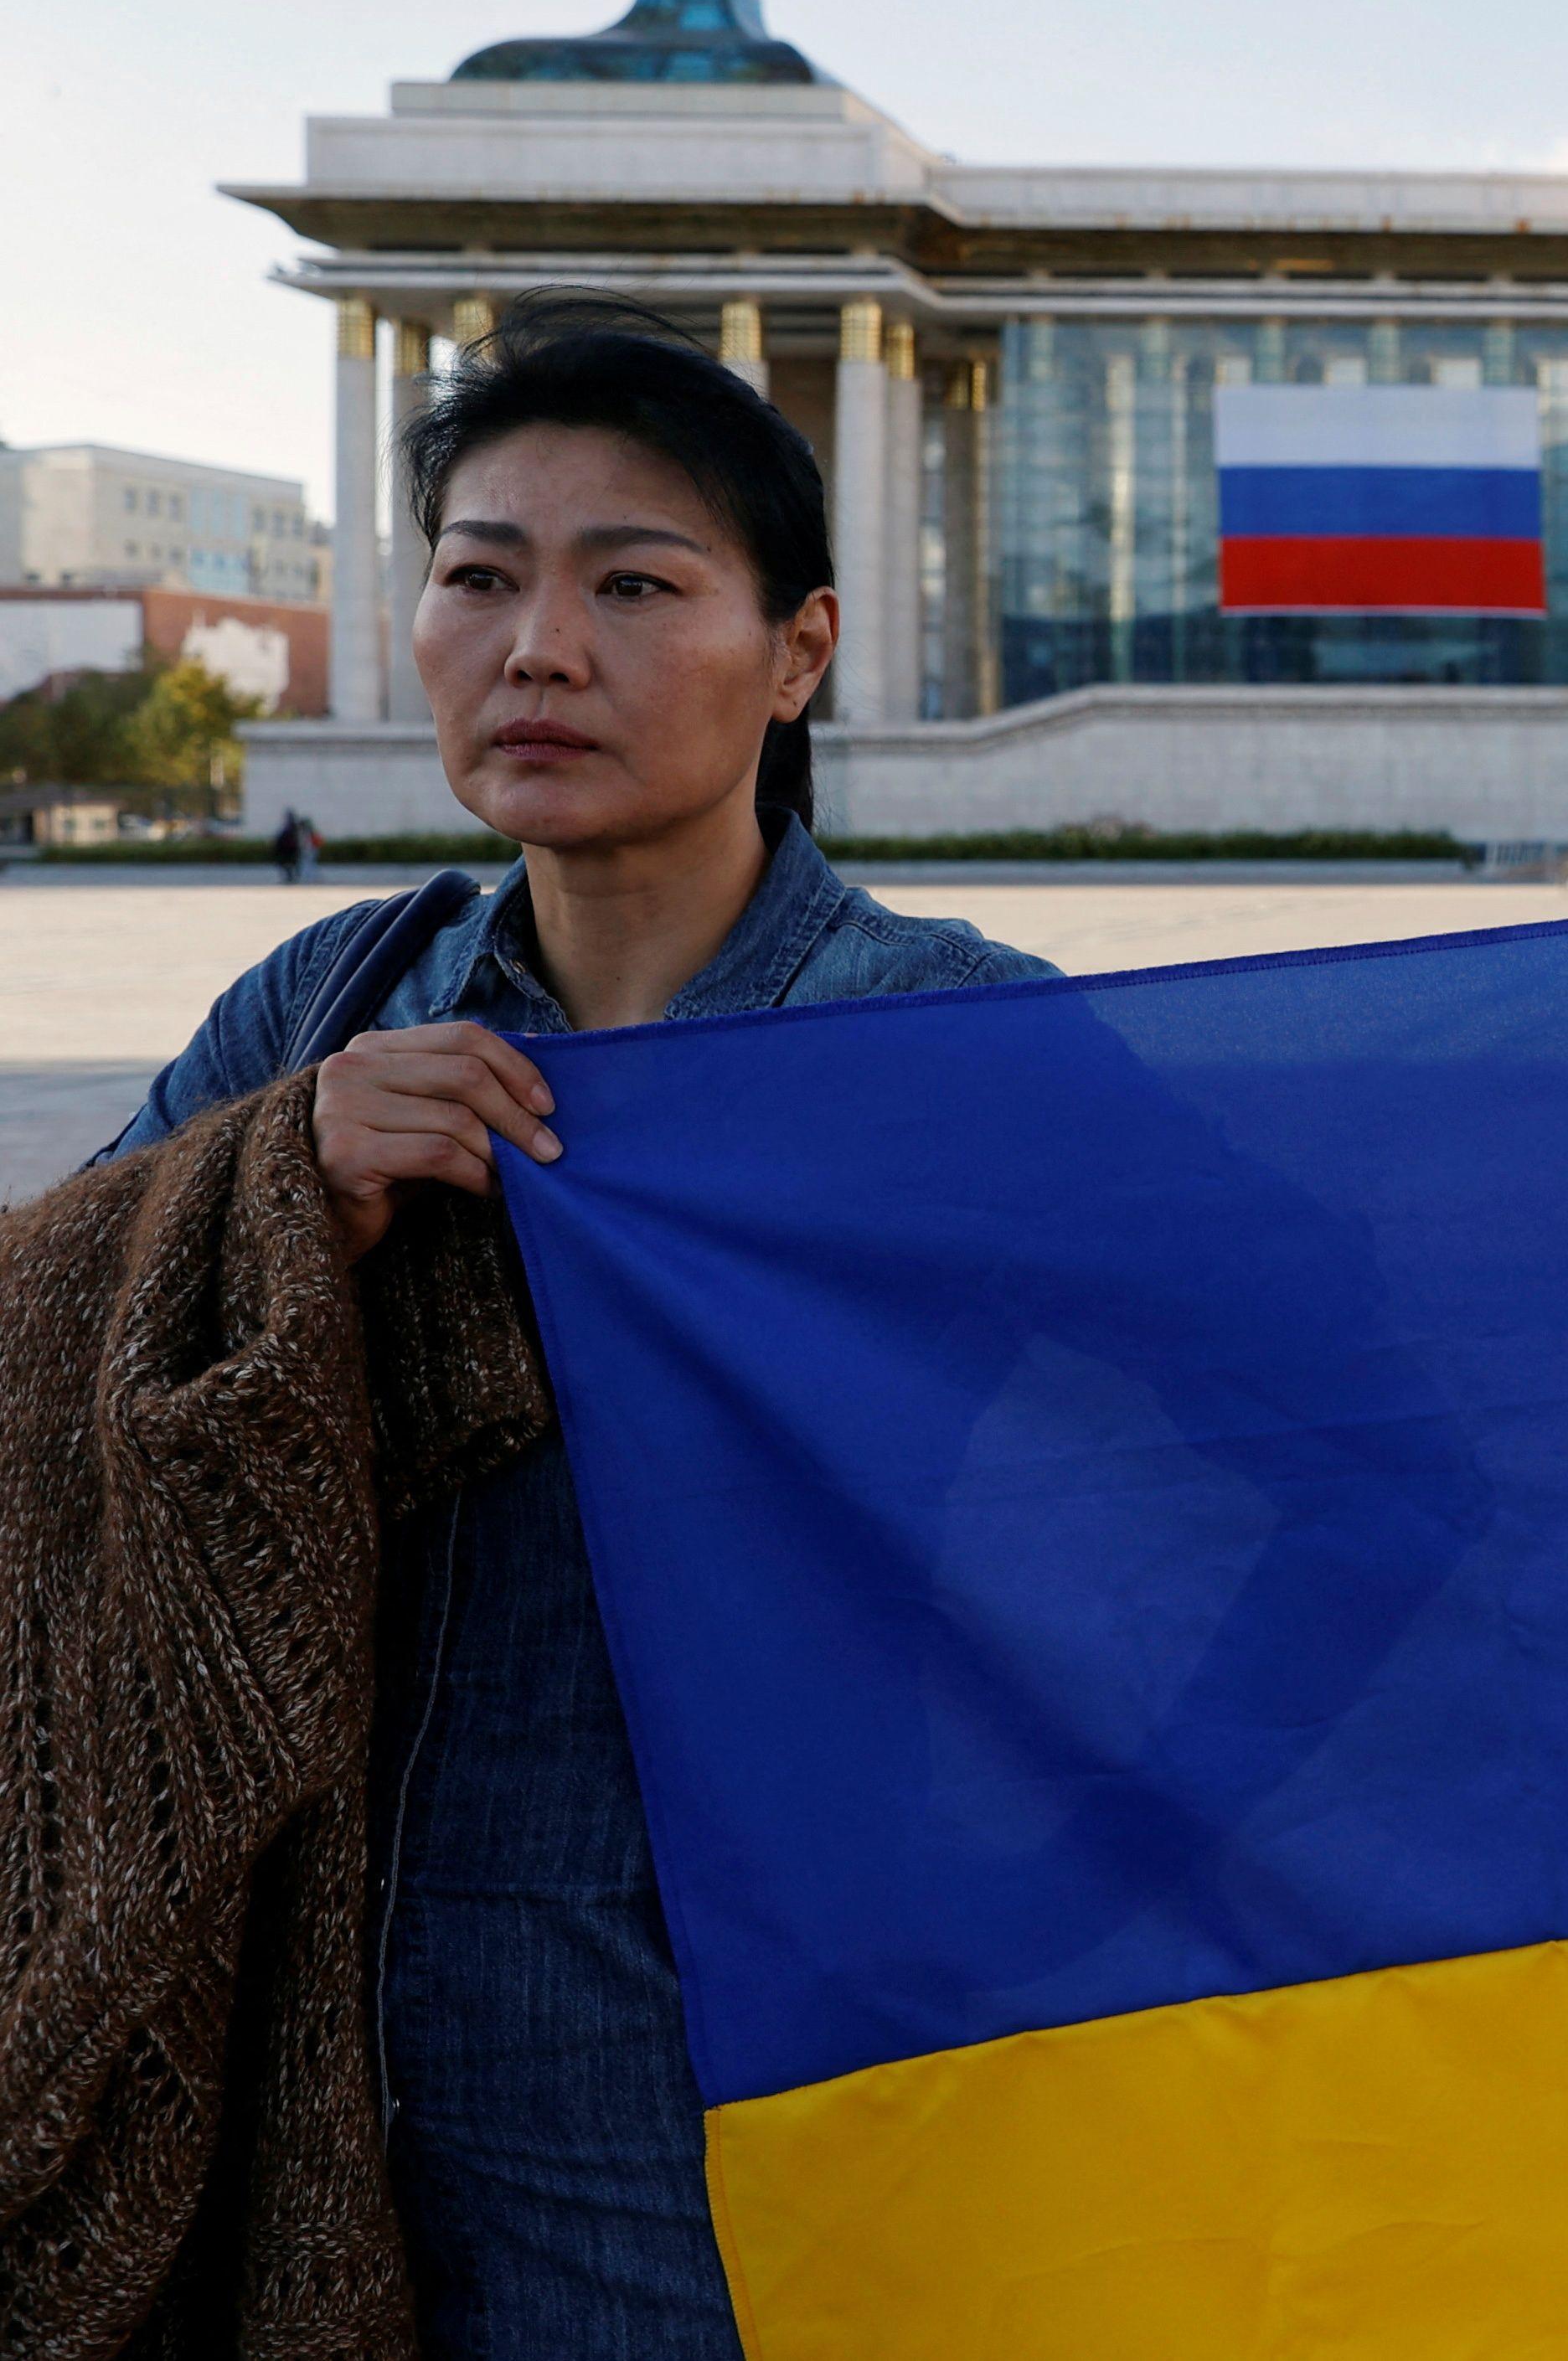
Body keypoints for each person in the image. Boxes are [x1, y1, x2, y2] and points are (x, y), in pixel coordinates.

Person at [100, 294, 1052, 2357]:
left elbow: (1341, 1440)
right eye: (478, 575)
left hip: (737, 2047)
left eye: (635, 581)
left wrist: (1119, 1850)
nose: (539, 647)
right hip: (303, 2031)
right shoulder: (324, 1012)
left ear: (797, 649)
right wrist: (276, 1191)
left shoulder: (953, 1039)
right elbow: (43, 1348)